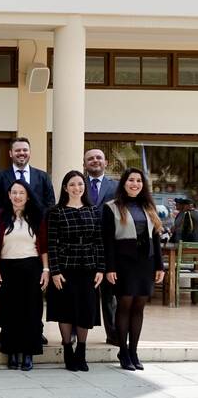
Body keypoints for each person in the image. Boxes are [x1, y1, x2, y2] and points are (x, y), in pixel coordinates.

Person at [102, 168, 165, 371]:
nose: (135, 184)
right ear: (124, 183)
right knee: (125, 305)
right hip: (123, 263)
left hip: (145, 263)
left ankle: (134, 351)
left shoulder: (148, 206)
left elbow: (155, 237)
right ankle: (123, 350)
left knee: (139, 307)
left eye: (139, 180)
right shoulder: (111, 207)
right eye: (131, 180)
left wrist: (159, 265)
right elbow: (108, 241)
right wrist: (109, 267)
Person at [46, 170, 104, 372]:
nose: (76, 188)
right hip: (65, 267)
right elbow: (51, 243)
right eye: (72, 184)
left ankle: (81, 350)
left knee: (85, 310)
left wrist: (101, 269)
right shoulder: (56, 211)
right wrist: (54, 271)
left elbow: (100, 241)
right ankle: (67, 348)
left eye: (80, 184)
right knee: (66, 310)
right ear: (65, 188)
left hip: (88, 267)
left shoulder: (93, 210)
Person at [0, 180, 48, 371]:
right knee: (9, 311)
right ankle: (12, 352)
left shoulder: (36, 216)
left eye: (21, 193)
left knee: (31, 311)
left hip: (32, 267)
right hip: (7, 267)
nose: (17, 196)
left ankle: (28, 353)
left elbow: (44, 246)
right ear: (9, 195)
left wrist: (46, 270)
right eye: (14, 192)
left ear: (28, 196)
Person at [83, 148, 120, 346]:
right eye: (90, 159)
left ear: (105, 162)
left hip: (108, 246)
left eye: (98, 158)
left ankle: (113, 334)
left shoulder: (116, 187)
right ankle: (76, 332)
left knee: (109, 294)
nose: (95, 161)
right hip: (83, 247)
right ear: (85, 163)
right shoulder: (78, 185)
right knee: (81, 292)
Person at [0, 137, 55, 211]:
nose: (21, 153)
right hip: (9, 221)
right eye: (17, 150)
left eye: (25, 150)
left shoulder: (43, 176)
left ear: (30, 152)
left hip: (37, 221)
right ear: (11, 153)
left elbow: (50, 204)